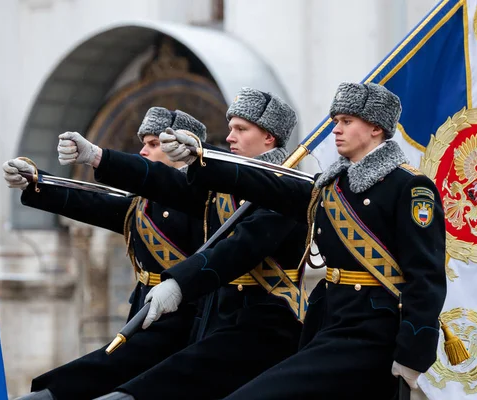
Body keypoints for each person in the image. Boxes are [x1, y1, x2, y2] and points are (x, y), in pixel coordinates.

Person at [164, 82, 448, 399]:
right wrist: (202, 159)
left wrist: (415, 351)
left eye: (346, 121)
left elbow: (426, 276)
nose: (336, 130)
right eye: (335, 121)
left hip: (374, 334)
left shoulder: (410, 186)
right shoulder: (331, 186)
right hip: (329, 325)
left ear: (375, 128)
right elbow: (269, 185)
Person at [58, 87, 308, 400]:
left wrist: (180, 283)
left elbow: (241, 248)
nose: (229, 137)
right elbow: (163, 181)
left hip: (268, 321)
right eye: (229, 128)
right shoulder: (222, 186)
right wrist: (97, 157)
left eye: (241, 130)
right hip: (217, 317)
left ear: (269, 138)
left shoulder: (291, 189)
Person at [4, 108, 206, 400]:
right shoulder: (141, 204)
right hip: (145, 312)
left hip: (184, 319)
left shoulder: (203, 198)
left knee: (106, 375)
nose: (143, 151)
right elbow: (90, 202)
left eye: (152, 144)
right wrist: (36, 182)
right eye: (143, 143)